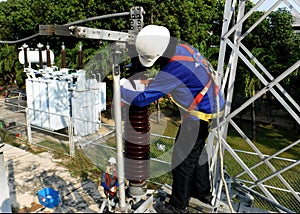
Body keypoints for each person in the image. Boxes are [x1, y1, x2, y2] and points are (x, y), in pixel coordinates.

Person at [120, 25, 225, 213]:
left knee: (181, 160)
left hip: (198, 115)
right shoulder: (183, 49)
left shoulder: (173, 69)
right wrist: (154, 83)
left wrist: (121, 88)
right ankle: (202, 194)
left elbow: (142, 100)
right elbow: (181, 79)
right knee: (197, 153)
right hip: (213, 105)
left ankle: (177, 206)